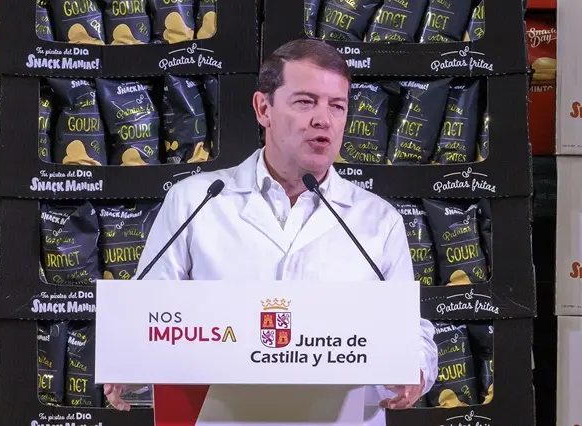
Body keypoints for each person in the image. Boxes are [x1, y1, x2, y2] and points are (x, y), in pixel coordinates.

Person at [103, 38, 438, 425]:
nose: (323, 119)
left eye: (337, 105)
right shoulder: (195, 200)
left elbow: (410, 332)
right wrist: (128, 360)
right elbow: (151, 317)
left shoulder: (378, 219)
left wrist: (415, 368)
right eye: (305, 102)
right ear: (264, 108)